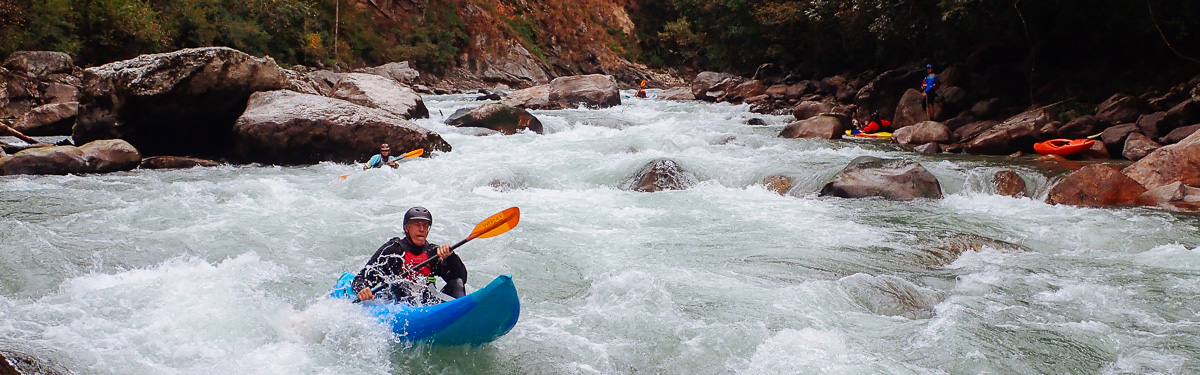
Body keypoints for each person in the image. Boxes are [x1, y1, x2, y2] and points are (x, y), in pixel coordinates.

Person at [352, 207, 468, 304]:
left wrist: (451, 257)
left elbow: (460, 278)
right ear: (407, 228)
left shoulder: (433, 252)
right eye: (417, 224)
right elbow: (362, 278)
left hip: (427, 302)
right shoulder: (393, 251)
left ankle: (462, 314)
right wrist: (363, 289)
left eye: (425, 225)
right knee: (402, 284)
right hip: (399, 303)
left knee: (457, 284)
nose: (421, 229)